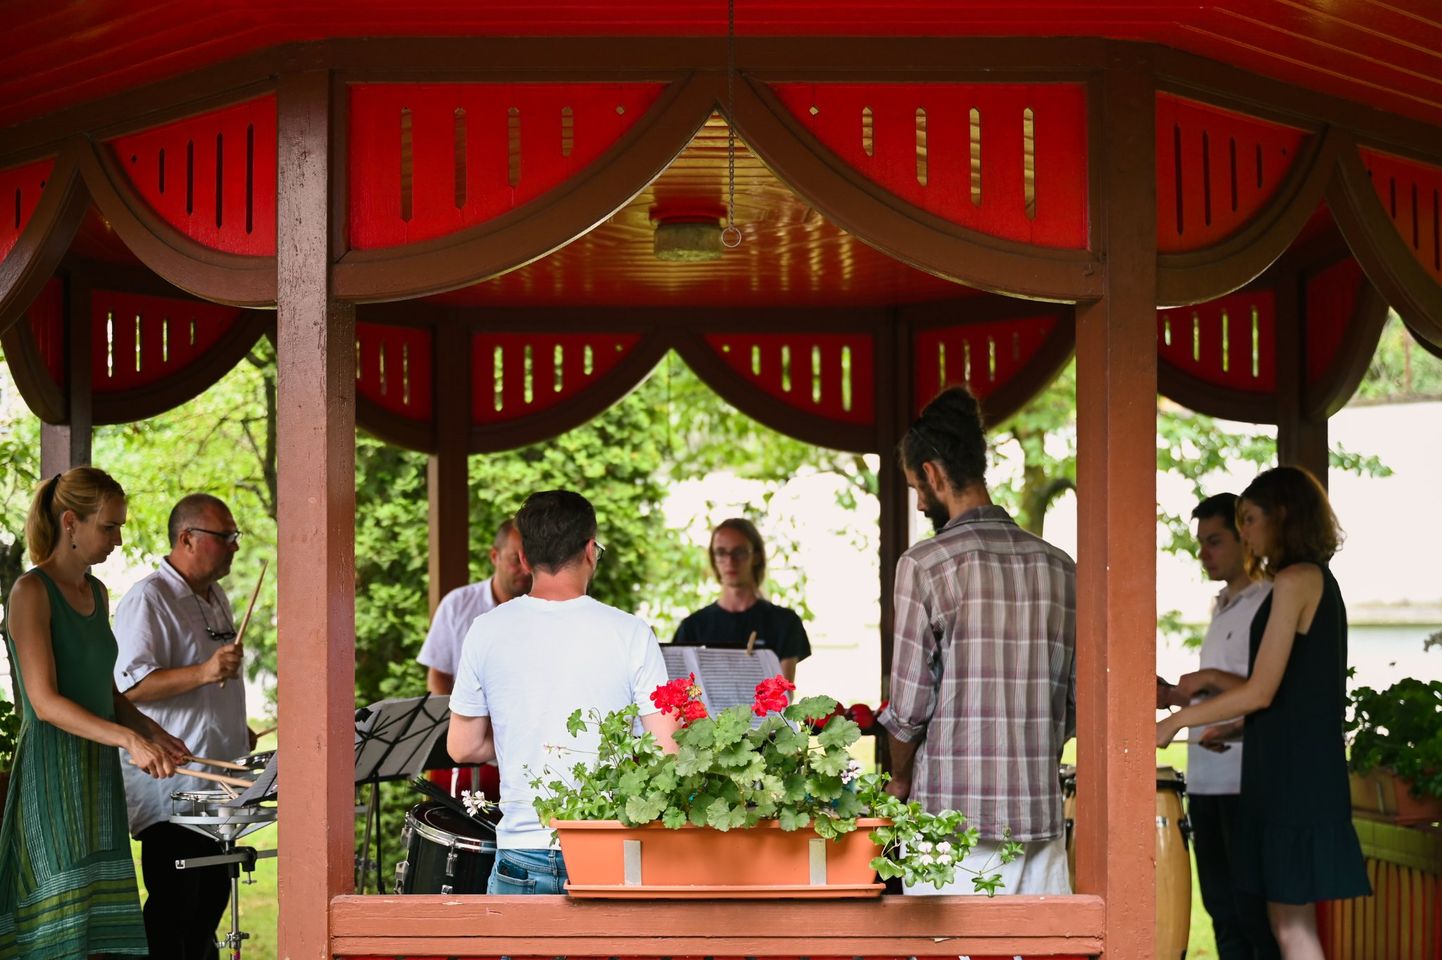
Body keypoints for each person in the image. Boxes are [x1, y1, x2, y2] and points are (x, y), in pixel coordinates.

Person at [1157, 466, 1370, 959]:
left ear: (1283, 515)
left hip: (1292, 778)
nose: (1246, 532)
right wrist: (1234, 729)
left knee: (1290, 927)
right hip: (1286, 770)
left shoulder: (1296, 579)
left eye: (1250, 519)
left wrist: (1175, 721)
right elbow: (1296, 694)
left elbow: (1260, 691)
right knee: (1283, 921)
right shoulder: (1310, 579)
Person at [877, 386, 1077, 896]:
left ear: (933, 473)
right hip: (1040, 819)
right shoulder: (1061, 568)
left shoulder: (924, 565)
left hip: (951, 829)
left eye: (916, 487)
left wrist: (899, 781)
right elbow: (1077, 703)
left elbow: (908, 709)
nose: (919, 502)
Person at [447, 490, 679, 893]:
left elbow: (462, 747)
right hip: (607, 842)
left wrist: (516, 736)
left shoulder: (486, 629)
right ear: (590, 551)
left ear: (523, 558)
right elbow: (668, 749)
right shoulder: (631, 633)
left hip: (521, 850)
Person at [0, 468, 189, 960]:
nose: (118, 540)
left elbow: (106, 692)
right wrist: (129, 740)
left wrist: (151, 731)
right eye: (109, 527)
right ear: (70, 522)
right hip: (52, 771)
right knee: (56, 929)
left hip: (97, 771)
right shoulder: (31, 591)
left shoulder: (98, 591)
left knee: (100, 930)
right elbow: (45, 703)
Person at [112, 493, 254, 960]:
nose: (235, 545)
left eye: (234, 536)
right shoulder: (148, 598)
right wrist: (204, 672)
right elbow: (128, 687)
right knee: (174, 915)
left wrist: (235, 727)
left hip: (219, 786)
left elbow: (208, 692)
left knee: (208, 914)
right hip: (172, 787)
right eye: (225, 536)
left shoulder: (215, 597)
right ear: (187, 538)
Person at [1158, 493, 1279, 960]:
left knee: (1253, 914)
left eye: (1215, 541)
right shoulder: (1224, 603)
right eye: (1200, 543)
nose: (1204, 553)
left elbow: (1270, 690)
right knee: (1222, 912)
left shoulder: (1268, 600)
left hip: (1245, 778)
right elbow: (1221, 694)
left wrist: (1208, 677)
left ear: (1244, 537)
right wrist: (1173, 695)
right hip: (1206, 779)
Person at [671, 518, 811, 682]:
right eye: (721, 552)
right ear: (713, 559)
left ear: (756, 556)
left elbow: (784, 691)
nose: (730, 561)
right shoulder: (692, 627)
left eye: (739, 552)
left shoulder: (785, 622)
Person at [418, 518, 532, 695]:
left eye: (532, 560)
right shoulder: (457, 605)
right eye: (516, 559)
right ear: (494, 556)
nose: (526, 569)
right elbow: (438, 675)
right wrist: (450, 712)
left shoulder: (550, 608)